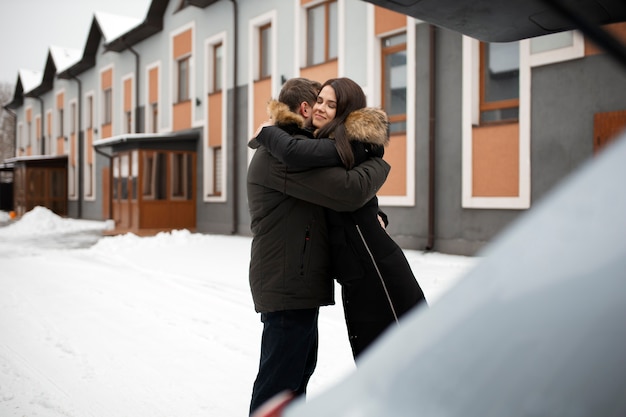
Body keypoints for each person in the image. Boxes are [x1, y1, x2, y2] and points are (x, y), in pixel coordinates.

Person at [253, 77, 427, 360]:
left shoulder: (341, 144)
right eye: (320, 100)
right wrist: (375, 208)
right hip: (352, 271)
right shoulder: (327, 146)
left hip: (374, 265)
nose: (320, 108)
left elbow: (347, 188)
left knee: (405, 355)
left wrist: (268, 132)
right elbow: (341, 190)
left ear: (344, 113)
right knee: (374, 362)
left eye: (330, 104)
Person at [247, 78, 391, 415]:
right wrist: (379, 163)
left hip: (297, 281)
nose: (328, 111)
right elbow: (346, 191)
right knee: (278, 384)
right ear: (305, 109)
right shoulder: (283, 156)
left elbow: (327, 199)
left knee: (294, 380)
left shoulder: (298, 152)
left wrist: (376, 212)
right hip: (287, 283)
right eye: (321, 103)